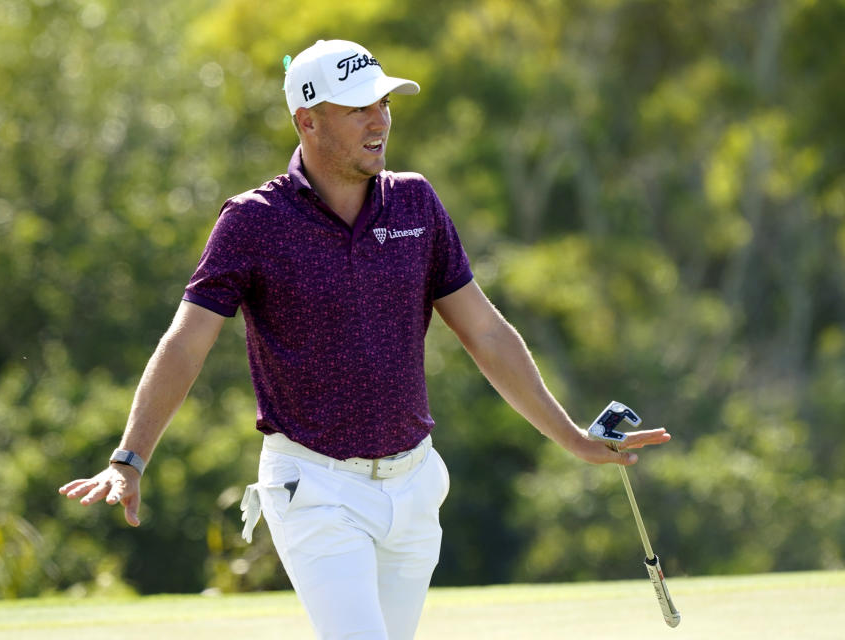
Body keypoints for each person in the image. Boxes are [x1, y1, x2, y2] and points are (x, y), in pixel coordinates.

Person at [59, 39, 671, 640]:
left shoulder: (415, 202)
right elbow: (186, 343)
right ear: (308, 121)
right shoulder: (253, 221)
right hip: (314, 486)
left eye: (383, 103)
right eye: (358, 108)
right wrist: (129, 457)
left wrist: (570, 438)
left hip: (413, 485)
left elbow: (485, 331)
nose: (379, 120)